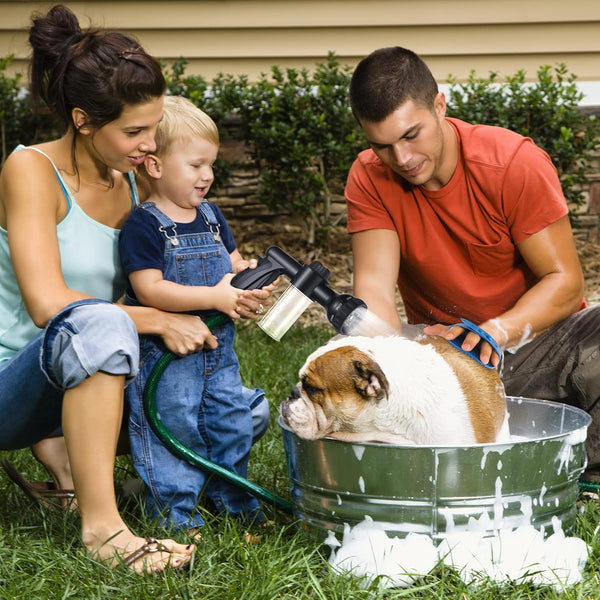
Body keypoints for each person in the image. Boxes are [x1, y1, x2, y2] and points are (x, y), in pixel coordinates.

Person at [0, 4, 268, 573]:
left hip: (91, 372)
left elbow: (151, 280)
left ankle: (99, 470)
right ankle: (104, 531)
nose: (151, 146)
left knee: (242, 414)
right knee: (103, 323)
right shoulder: (29, 171)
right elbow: (50, 304)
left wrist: (224, 287)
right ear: (82, 119)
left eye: (154, 128)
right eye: (135, 132)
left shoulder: (125, 182)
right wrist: (154, 319)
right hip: (14, 384)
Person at [344, 46, 600, 466]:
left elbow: (566, 283)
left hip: (538, 347)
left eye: (411, 135)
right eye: (383, 146)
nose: (402, 159)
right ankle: (531, 457)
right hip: (447, 364)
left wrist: (493, 332)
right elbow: (374, 294)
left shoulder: (512, 163)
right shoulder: (369, 176)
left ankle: (572, 467)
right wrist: (400, 363)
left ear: (440, 105)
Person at [119, 96, 271, 533]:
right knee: (173, 429)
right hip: (167, 358)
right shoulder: (144, 225)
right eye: (196, 165)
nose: (207, 176)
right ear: (155, 166)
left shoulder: (211, 216)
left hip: (219, 354)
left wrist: (248, 278)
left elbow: (232, 264)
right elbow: (149, 289)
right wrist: (214, 296)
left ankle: (237, 506)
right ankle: (175, 515)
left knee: (232, 422)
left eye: (211, 165)